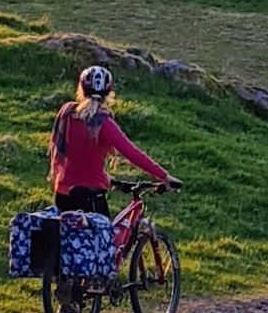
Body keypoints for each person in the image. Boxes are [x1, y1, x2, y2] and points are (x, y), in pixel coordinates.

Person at [49, 64, 179, 224]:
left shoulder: (67, 114)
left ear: (81, 89)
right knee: (102, 246)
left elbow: (77, 158)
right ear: (109, 93)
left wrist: (106, 178)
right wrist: (165, 176)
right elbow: (132, 153)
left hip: (62, 193)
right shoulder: (103, 123)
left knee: (69, 244)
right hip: (89, 196)